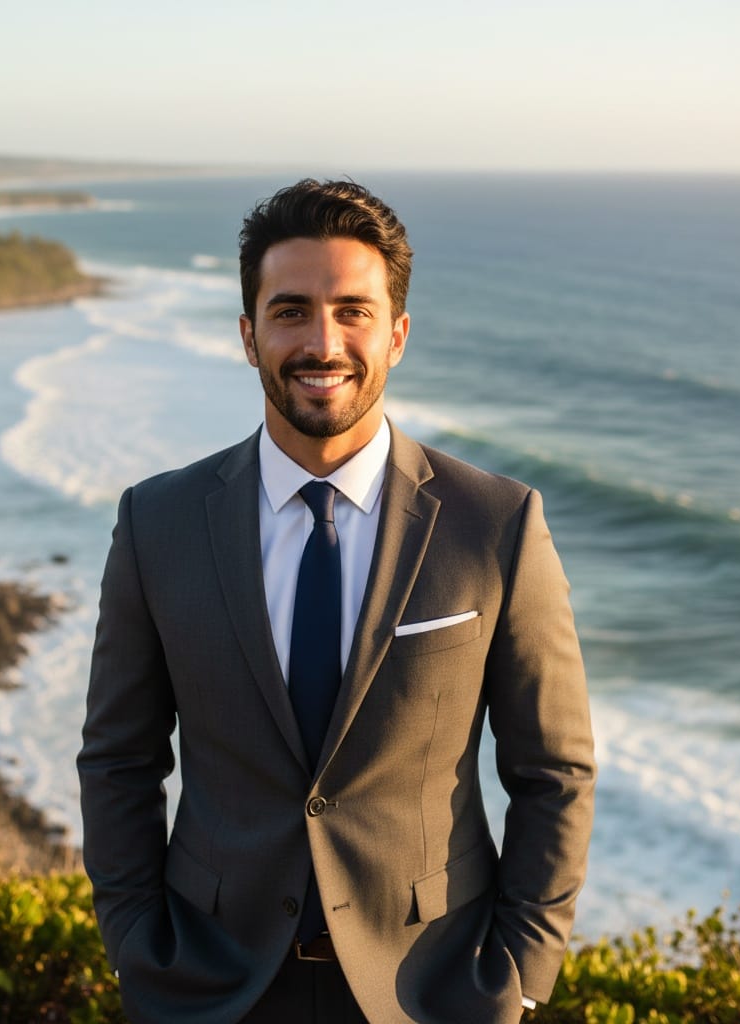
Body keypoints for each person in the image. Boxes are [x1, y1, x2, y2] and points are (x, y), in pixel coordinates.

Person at [77, 179, 595, 1024]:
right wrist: (137, 945)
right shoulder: (156, 521)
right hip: (210, 986)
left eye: (353, 311)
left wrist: (523, 976)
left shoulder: (496, 524)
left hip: (432, 990)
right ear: (249, 336)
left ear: (397, 334)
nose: (323, 342)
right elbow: (119, 758)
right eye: (290, 311)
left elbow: (553, 770)